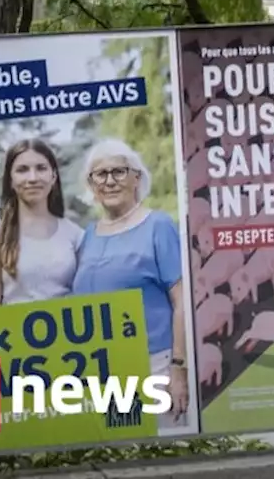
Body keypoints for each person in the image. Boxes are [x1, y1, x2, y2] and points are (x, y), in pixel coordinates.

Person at [72, 139, 190, 430]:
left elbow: (182, 302)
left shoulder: (158, 226)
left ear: (136, 177)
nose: (110, 181)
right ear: (91, 184)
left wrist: (179, 369)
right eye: (100, 174)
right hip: (107, 368)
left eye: (119, 172)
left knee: (161, 447)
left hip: (155, 364)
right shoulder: (87, 235)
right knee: (122, 452)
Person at [0, 139, 83, 307]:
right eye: (22, 170)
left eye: (41, 168)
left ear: (53, 176)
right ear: (10, 180)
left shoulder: (76, 235)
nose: (32, 178)